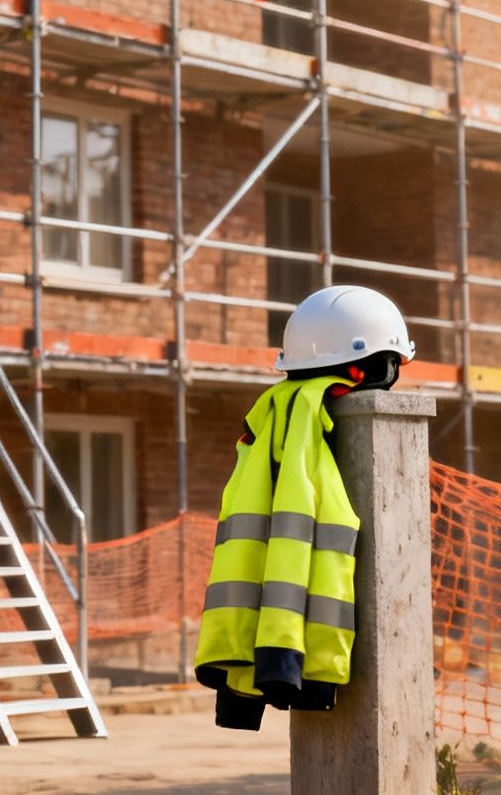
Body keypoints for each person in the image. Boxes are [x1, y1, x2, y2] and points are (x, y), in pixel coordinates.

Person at [193, 285, 414, 729]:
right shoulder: (304, 436)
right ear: (382, 363)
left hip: (261, 650)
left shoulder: (267, 431)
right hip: (308, 657)